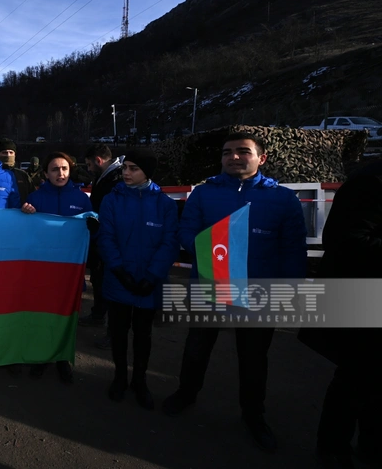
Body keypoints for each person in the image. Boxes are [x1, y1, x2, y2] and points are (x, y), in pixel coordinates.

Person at [162, 132, 307, 453]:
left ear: (262, 158)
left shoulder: (283, 199)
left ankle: (254, 414)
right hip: (211, 286)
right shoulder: (203, 193)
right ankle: (186, 393)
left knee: (253, 358)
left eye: (243, 152)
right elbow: (185, 231)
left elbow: (292, 250)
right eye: (228, 152)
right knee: (197, 347)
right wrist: (209, 244)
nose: (234, 157)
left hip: (259, 292)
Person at [299, 159, 382, 468]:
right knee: (356, 379)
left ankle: (371, 446)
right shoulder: (369, 184)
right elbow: (347, 241)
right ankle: (333, 447)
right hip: (363, 297)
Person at [97, 148, 178, 410]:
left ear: (147, 173)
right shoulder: (112, 199)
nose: (126, 173)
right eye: (125, 168)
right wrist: (119, 270)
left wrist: (153, 276)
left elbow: (169, 242)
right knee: (119, 332)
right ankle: (120, 377)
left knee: (143, 335)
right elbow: (105, 237)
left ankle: (140, 380)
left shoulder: (164, 204)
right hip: (119, 280)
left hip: (148, 283)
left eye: (134, 168)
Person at [21, 152, 92, 385]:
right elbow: (25, 232)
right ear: (45, 174)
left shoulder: (81, 199)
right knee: (43, 315)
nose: (60, 173)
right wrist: (26, 214)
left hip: (70, 271)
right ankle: (42, 357)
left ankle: (62, 359)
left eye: (64, 169)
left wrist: (94, 224)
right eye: (54, 169)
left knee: (66, 316)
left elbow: (91, 231)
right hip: (44, 270)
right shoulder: (35, 198)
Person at [81, 144, 124, 344]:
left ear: (98, 161)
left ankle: (113, 333)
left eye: (90, 164)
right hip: (101, 237)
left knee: (112, 284)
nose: (88, 169)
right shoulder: (107, 176)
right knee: (98, 279)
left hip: (112, 240)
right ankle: (98, 314)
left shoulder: (117, 179)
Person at [0, 138, 35, 204]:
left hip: (20, 212)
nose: (8, 155)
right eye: (4, 152)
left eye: (11, 152)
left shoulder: (22, 175)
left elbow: (33, 196)